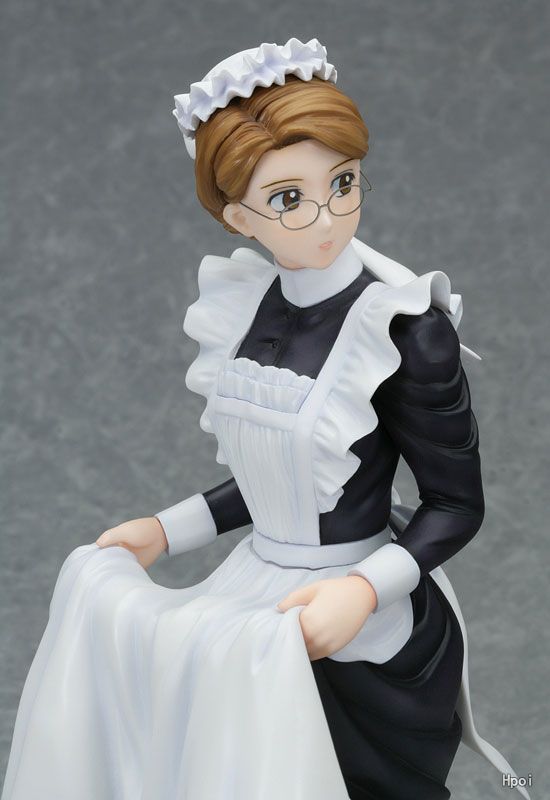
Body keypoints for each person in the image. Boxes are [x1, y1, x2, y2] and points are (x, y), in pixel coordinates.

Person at [1, 38, 529, 800]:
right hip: (257, 589)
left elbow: (456, 504)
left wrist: (362, 591)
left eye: (342, 182)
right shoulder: (246, 308)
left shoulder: (404, 330)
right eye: (288, 198)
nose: (327, 216)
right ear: (237, 217)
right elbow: (279, 480)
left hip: (364, 619)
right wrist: (168, 529)